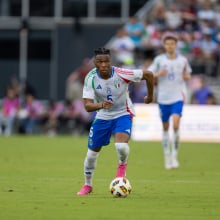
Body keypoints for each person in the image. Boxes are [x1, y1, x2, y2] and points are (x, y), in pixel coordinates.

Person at [77, 47, 154, 196]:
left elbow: (149, 75)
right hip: (103, 116)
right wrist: (101, 105)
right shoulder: (90, 78)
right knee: (91, 155)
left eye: (106, 61)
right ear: (95, 62)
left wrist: (150, 96)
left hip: (123, 113)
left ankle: (121, 172)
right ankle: (87, 185)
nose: (104, 64)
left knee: (121, 146)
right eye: (100, 61)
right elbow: (87, 106)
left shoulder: (121, 73)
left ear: (110, 61)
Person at [148, 32, 191, 170]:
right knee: (166, 127)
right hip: (163, 98)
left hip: (178, 96)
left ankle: (174, 156)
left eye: (172, 43)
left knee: (176, 124)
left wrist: (186, 76)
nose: (170, 46)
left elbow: (188, 74)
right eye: (167, 44)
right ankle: (167, 156)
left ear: (176, 45)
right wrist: (158, 74)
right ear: (164, 46)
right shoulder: (159, 60)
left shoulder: (183, 60)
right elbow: (148, 74)